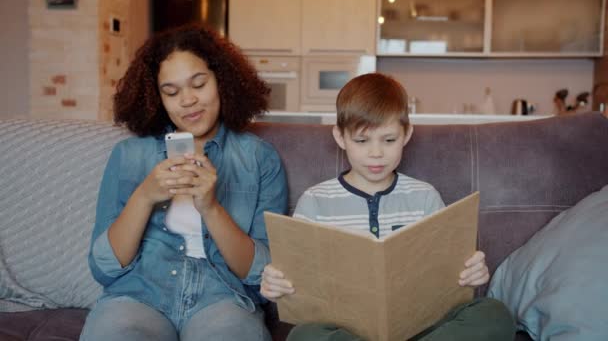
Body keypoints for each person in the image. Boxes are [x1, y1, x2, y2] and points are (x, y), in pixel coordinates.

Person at [260, 73, 515, 341]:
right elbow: (298, 280)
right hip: (346, 331)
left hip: (419, 326)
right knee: (304, 336)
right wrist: (276, 285)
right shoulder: (315, 201)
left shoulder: (424, 196)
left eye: (389, 140)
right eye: (362, 141)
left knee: (494, 314)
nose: (376, 153)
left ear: (407, 134)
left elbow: (448, 275)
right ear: (340, 136)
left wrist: (471, 273)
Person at [81, 24, 287, 341]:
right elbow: (105, 268)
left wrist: (212, 208)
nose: (188, 101)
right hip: (139, 296)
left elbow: (262, 274)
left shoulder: (259, 158)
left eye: (199, 84)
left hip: (222, 298)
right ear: (157, 97)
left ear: (222, 81)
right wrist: (145, 196)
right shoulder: (129, 155)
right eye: (171, 92)